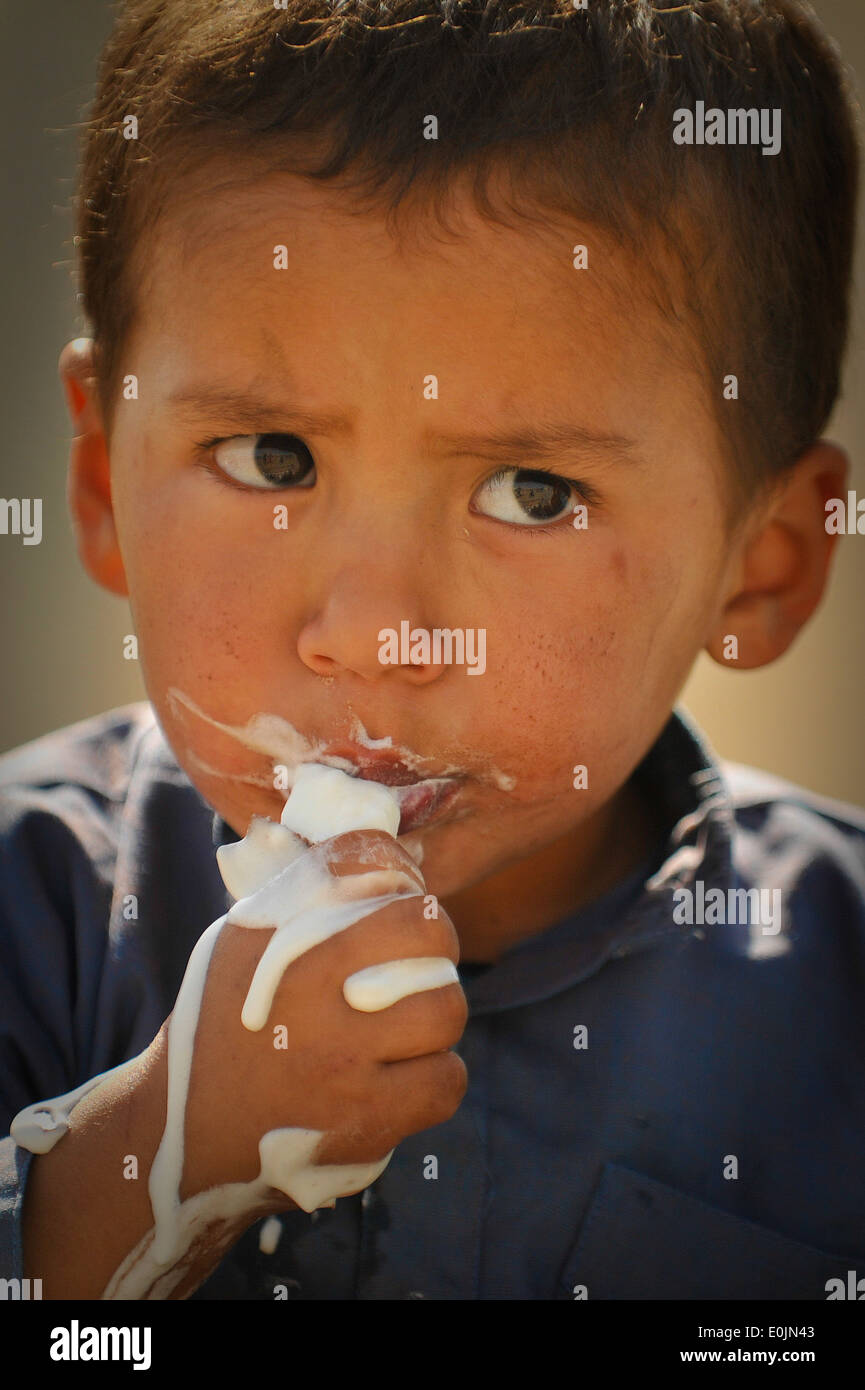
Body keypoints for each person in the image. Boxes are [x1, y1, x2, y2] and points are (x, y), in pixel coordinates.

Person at [1, 0, 863, 1300]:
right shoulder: (33, 909)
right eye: (270, 459)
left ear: (762, 563)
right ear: (104, 485)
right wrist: (161, 1158)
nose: (369, 632)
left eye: (529, 490)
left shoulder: (837, 991)